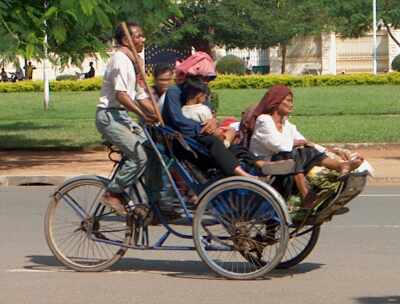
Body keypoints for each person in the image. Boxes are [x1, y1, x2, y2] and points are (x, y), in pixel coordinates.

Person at [244, 85, 363, 209]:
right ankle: (305, 193)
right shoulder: (264, 120)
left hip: (285, 163)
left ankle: (341, 166)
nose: (292, 105)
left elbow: (305, 141)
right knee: (292, 153)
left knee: (307, 150)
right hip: (265, 165)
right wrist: (297, 143)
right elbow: (277, 144)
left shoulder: (286, 123)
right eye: (289, 101)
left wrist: (328, 150)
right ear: (276, 102)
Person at [95, 21, 161, 215]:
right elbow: (121, 95)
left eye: (142, 35)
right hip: (109, 116)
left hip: (121, 116)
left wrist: (159, 114)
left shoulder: (133, 61)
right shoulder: (120, 60)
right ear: (126, 39)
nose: (143, 39)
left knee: (154, 152)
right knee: (139, 157)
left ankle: (156, 203)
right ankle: (113, 192)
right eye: (138, 36)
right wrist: (143, 115)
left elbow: (140, 95)